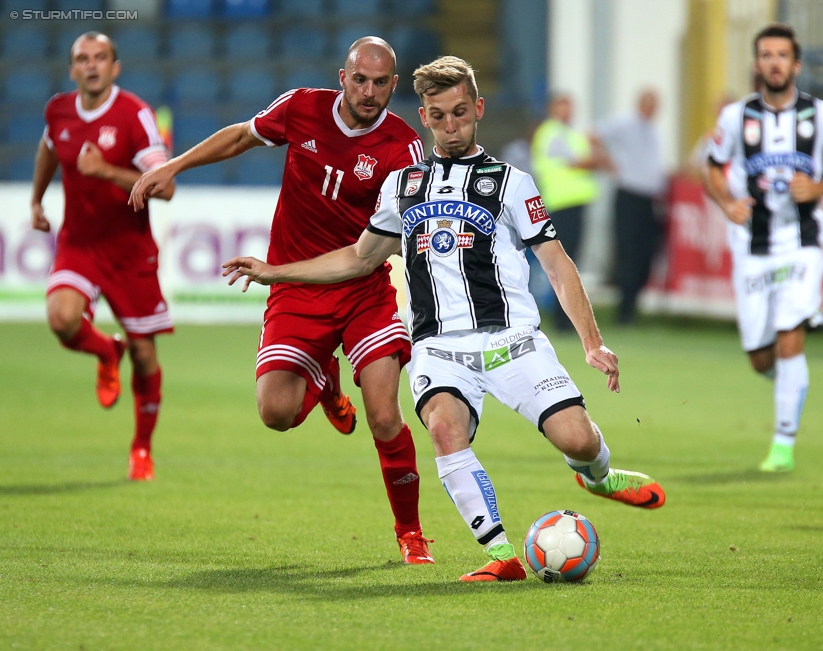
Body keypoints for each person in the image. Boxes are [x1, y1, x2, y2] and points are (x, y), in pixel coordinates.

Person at [222, 56, 667, 583]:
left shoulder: (511, 183)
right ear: (426, 118)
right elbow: (359, 257)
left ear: (477, 109)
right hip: (438, 347)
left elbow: (558, 264)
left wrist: (592, 342)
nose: (451, 125)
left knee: (577, 440)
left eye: (460, 112)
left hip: (513, 341)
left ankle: (597, 476)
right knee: (443, 428)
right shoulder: (403, 185)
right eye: (438, 115)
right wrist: (278, 271)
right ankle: (502, 556)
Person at [129, 37, 433, 563]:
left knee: (385, 416)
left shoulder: (403, 150)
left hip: (362, 290)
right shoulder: (301, 108)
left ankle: (410, 532)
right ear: (342, 76)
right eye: (359, 79)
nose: (368, 92)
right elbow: (240, 138)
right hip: (296, 291)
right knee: (276, 413)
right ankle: (326, 379)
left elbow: (373, 253)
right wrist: (174, 166)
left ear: (394, 84)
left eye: (380, 83)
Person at [704, 24, 823, 473]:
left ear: (796, 64)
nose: (774, 62)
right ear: (757, 64)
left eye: (782, 55)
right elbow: (712, 167)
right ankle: (785, 382)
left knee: (791, 336)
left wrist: (822, 185)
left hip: (803, 242)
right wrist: (727, 202)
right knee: (760, 357)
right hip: (753, 246)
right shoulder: (736, 117)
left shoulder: (822, 115)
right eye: (766, 55)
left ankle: (783, 444)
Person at [31, 32, 176, 481]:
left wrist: (106, 171)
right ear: (72, 68)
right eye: (82, 59)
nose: (91, 65)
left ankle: (141, 449)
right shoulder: (58, 110)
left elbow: (165, 186)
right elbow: (49, 149)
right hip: (78, 243)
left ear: (115, 67)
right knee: (61, 319)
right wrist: (37, 200)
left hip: (129, 251)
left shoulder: (135, 114)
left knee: (146, 355)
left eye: (100, 58)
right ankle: (106, 352)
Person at [530, 93, 610, 331]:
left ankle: (566, 319)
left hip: (575, 203)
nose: (568, 110)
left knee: (568, 261)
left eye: (570, 105)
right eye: (563, 105)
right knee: (562, 263)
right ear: (552, 108)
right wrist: (594, 156)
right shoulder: (552, 133)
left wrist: (595, 154)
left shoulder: (571, 135)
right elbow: (584, 162)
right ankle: (562, 321)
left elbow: (597, 159)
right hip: (562, 204)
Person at [595, 89, 668, 324]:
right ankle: (623, 311)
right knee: (627, 252)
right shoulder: (625, 123)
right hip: (629, 194)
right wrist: (608, 161)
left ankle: (632, 305)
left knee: (645, 253)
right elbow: (594, 135)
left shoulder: (652, 131)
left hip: (648, 198)